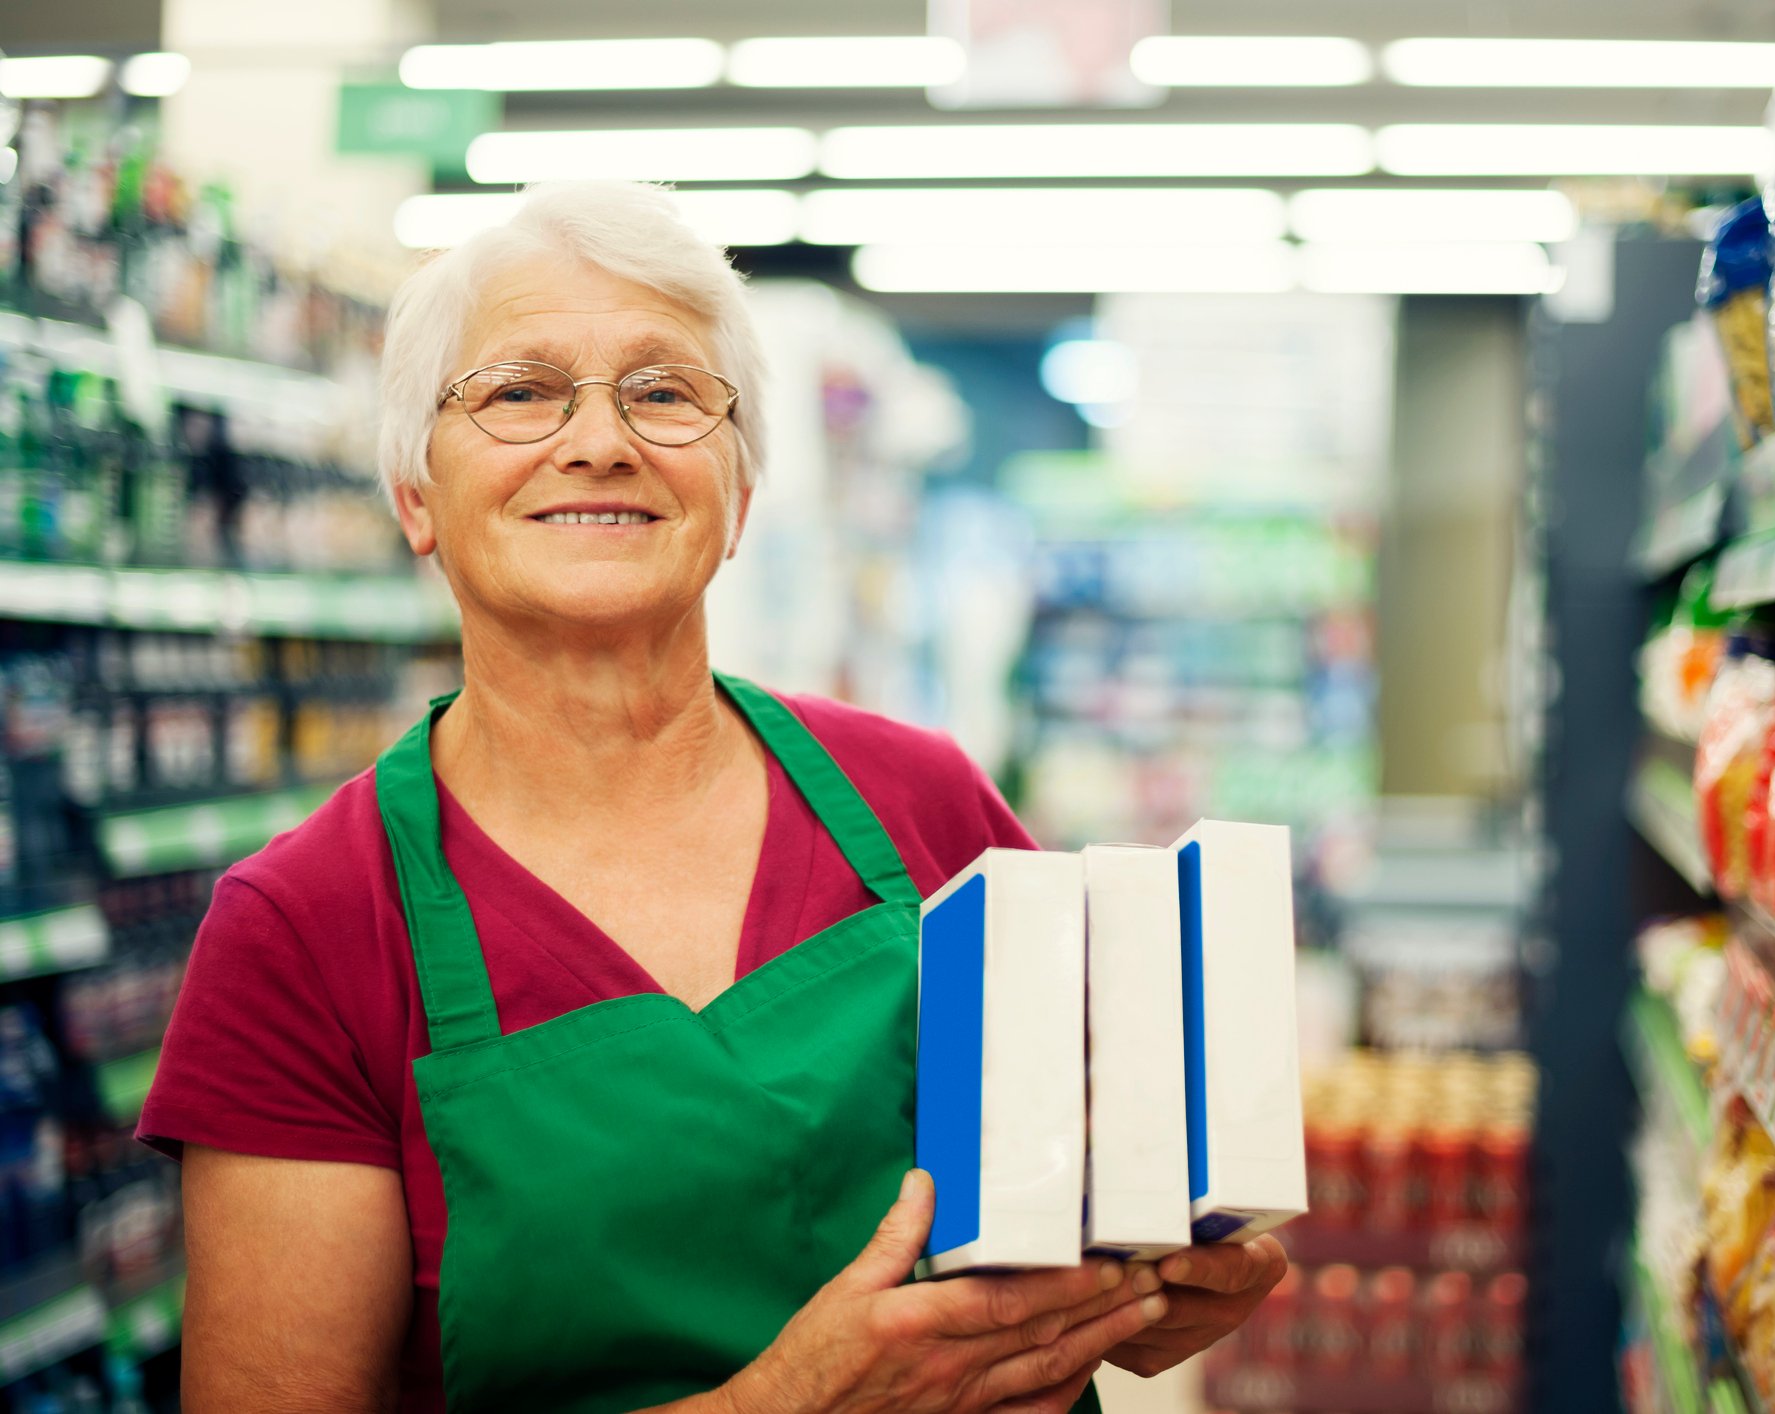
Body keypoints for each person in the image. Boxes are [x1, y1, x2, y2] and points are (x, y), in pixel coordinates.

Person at [138, 180, 1286, 1413]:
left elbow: (1109, 1192)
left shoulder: (928, 807)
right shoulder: (306, 928)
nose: (601, 440)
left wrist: (1164, 1278)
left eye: (666, 392)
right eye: (519, 391)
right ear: (415, 493)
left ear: (738, 495)